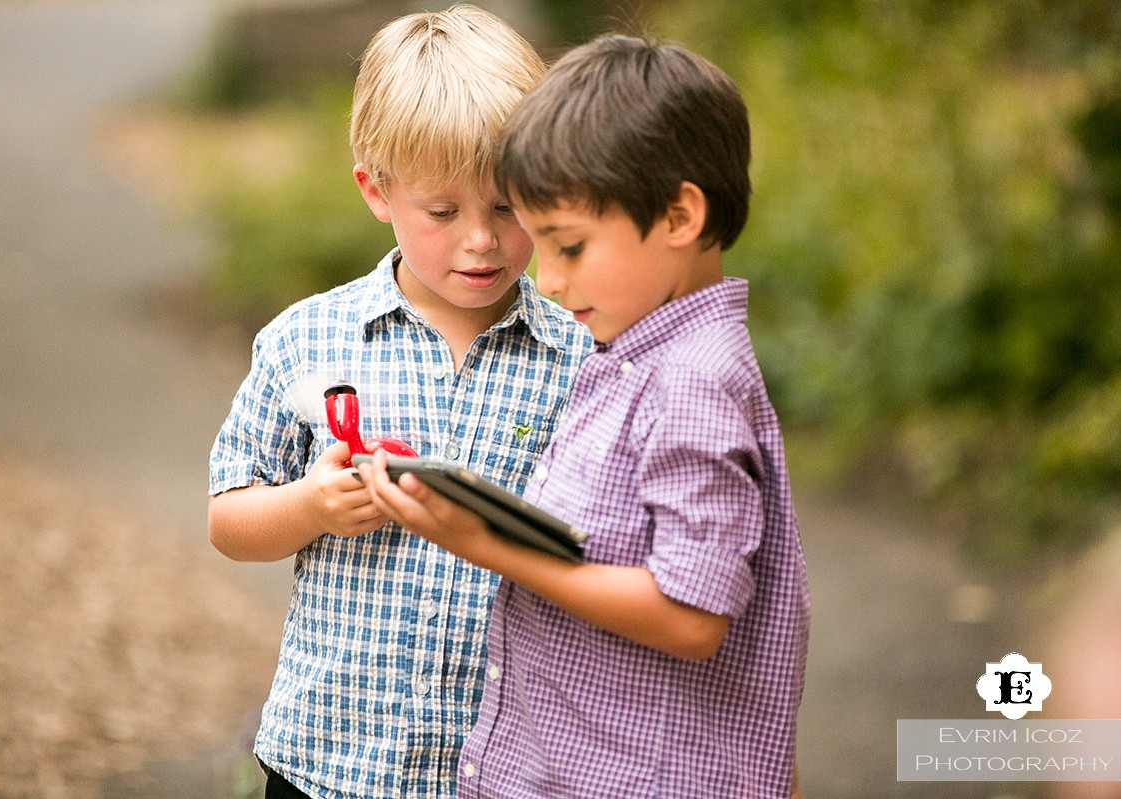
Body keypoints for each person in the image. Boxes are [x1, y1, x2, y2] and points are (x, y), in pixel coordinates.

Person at [360, 33, 810, 798]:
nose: (550, 282)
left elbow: (692, 614)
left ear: (679, 215)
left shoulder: (692, 381)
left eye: (568, 247)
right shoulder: (631, 353)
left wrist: (490, 546)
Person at [206, 6, 591, 798]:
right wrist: (311, 504)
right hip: (325, 759)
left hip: (506, 768)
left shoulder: (579, 356)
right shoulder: (305, 340)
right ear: (376, 191)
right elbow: (228, 518)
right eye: (443, 212)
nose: (480, 240)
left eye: (508, 207)